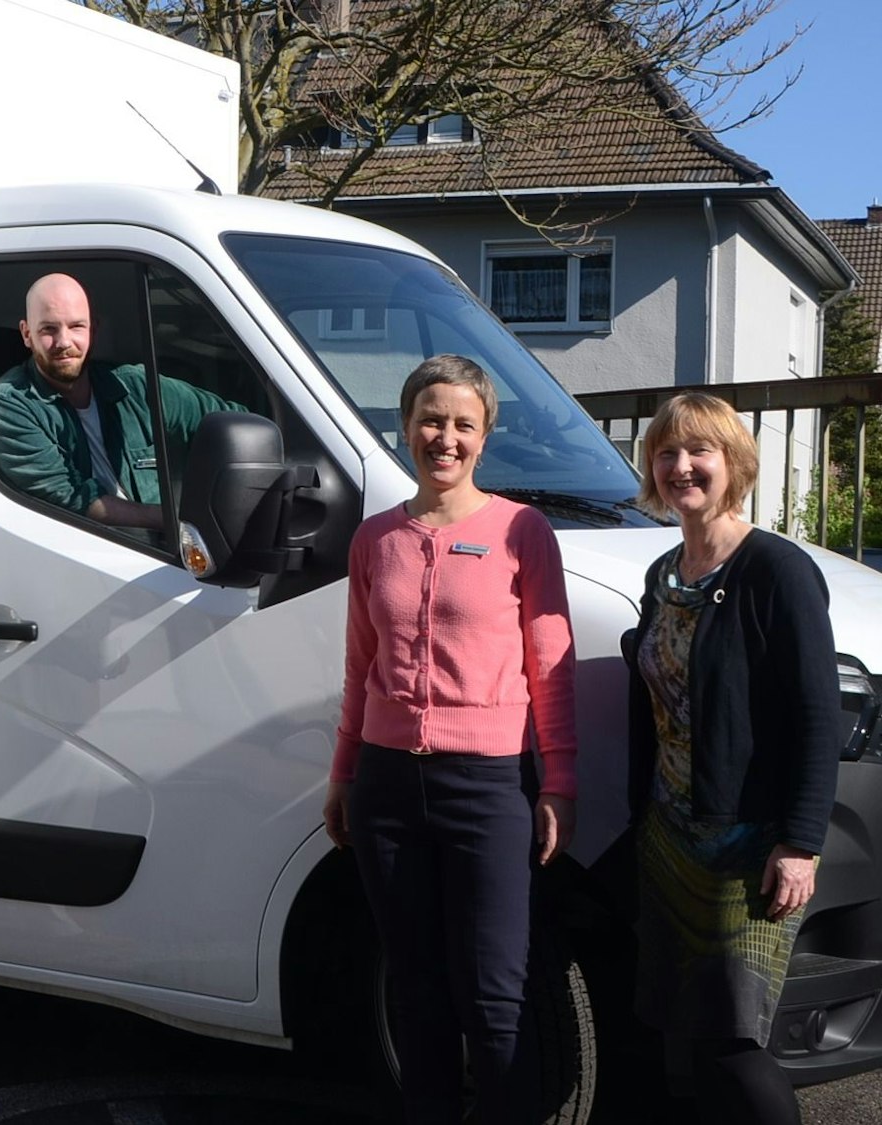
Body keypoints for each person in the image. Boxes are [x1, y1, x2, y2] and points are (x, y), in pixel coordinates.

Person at [321, 354, 577, 1125]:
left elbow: (551, 667)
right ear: (405, 427)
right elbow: (360, 664)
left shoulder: (521, 531)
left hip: (489, 787)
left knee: (495, 993)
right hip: (387, 791)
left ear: (485, 433)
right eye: (431, 419)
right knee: (415, 990)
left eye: (464, 423)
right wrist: (344, 773)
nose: (446, 437)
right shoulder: (375, 540)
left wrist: (560, 781)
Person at [624, 393, 837, 1125]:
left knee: (732, 1040)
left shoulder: (775, 569)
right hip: (668, 838)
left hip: (747, 849)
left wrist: (801, 843)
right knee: (669, 1034)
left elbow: (818, 712)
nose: (681, 465)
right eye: (667, 452)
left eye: (700, 451)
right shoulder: (664, 573)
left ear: (733, 464)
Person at [0, 272, 247, 530]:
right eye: (49, 329)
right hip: (87, 556)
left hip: (165, 557)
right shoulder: (7, 405)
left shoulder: (135, 385)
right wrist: (179, 522)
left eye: (76, 326)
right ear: (26, 334)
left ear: (93, 329)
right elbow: (73, 500)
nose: (64, 341)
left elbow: (230, 421)